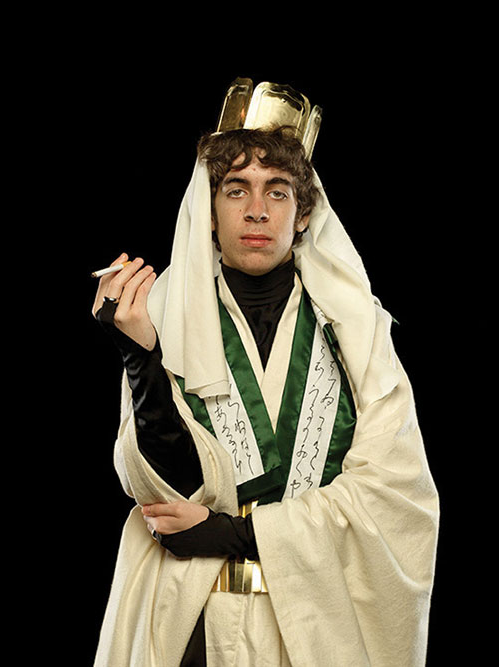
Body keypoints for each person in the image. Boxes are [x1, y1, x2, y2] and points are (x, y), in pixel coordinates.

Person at [92, 81, 439, 667]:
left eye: (277, 190)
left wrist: (233, 534)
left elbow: (395, 496)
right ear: (208, 211)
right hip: (190, 627)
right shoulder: (163, 317)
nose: (257, 209)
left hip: (316, 632)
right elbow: (162, 495)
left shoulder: (358, 330)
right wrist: (139, 356)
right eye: (236, 189)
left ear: (303, 214)